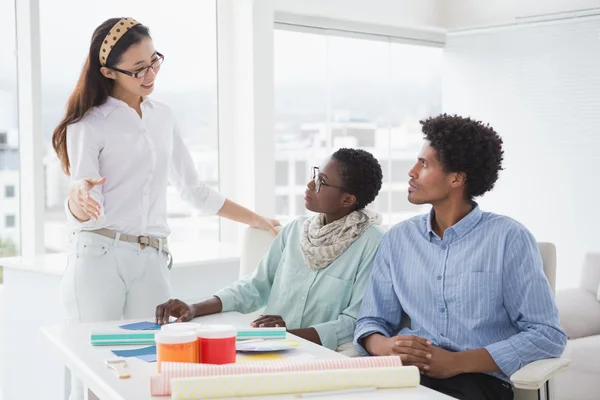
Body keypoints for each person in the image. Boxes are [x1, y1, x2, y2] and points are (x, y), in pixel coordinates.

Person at [51, 18, 277, 400]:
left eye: (154, 61)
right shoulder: (89, 124)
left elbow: (194, 190)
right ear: (108, 72)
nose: (150, 73)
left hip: (152, 257)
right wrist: (76, 199)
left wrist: (258, 219)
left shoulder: (163, 117)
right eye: (138, 69)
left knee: (152, 364)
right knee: (93, 367)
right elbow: (84, 195)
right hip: (98, 254)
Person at [354, 114, 567, 400]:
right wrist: (384, 346)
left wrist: (456, 363)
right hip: (403, 375)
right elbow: (372, 320)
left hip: (477, 383)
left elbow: (547, 335)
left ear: (457, 178)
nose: (412, 172)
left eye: (424, 163)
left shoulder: (508, 238)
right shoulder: (398, 239)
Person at [156, 148, 384, 352]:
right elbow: (255, 286)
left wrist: (287, 335)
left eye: (321, 182)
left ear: (347, 200)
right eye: (315, 175)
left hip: (320, 355)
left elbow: (353, 321)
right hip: (269, 348)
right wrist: (194, 308)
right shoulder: (296, 230)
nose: (309, 185)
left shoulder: (372, 244)